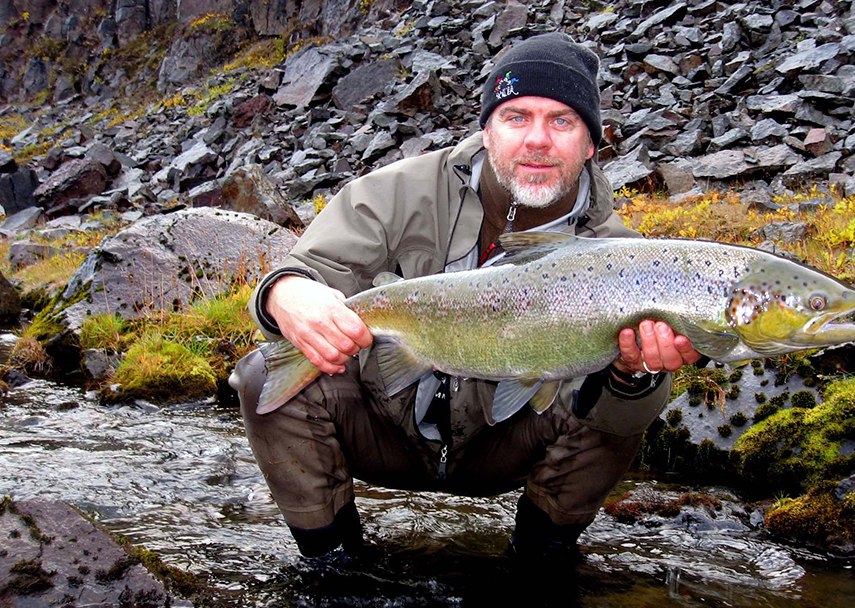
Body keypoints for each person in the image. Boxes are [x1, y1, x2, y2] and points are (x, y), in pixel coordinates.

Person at [231, 32, 702, 561]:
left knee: (617, 406)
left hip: (505, 447)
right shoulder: (401, 190)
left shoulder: (627, 258)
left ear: (591, 143)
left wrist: (635, 377)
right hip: (385, 426)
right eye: (517, 117)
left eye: (562, 121)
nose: (538, 140)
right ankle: (332, 566)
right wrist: (285, 294)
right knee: (261, 374)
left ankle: (541, 566)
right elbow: (301, 270)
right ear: (487, 129)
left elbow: (625, 422)